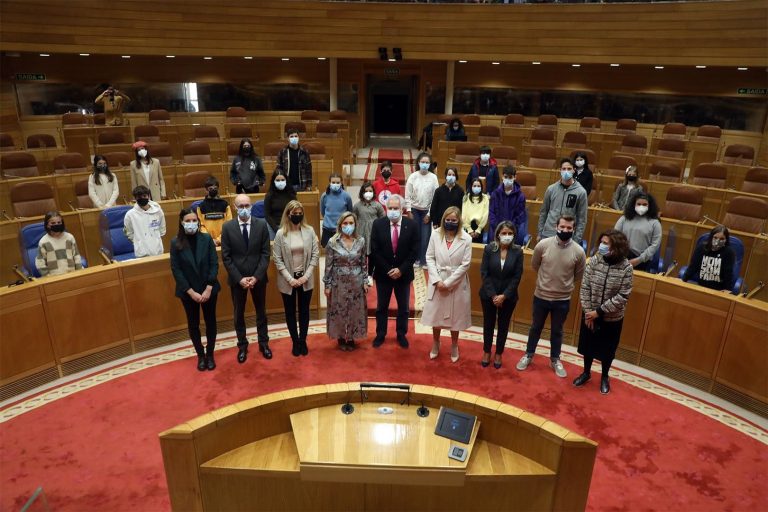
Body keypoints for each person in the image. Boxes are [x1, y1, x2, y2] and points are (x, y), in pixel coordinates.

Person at [517, 215, 586, 378]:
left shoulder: (579, 251)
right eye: (562, 227)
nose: (565, 230)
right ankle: (528, 354)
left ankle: (555, 359)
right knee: (535, 328)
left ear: (574, 229)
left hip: (562, 300)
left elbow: (578, 274)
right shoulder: (543, 245)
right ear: (556, 226)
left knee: (557, 331)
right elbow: (535, 265)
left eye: (569, 228)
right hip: (541, 296)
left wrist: (564, 285)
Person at [574, 229, 633, 395]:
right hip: (590, 314)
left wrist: (598, 312)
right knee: (588, 346)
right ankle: (586, 373)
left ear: (617, 247)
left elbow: (623, 296)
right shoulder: (594, 260)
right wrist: (588, 312)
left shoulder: (626, 268)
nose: (602, 246)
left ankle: (605, 376)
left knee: (607, 350)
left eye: (606, 243)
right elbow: (585, 286)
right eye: (602, 242)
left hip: (611, 318)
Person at [221, 194, 272, 364]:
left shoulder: (262, 225)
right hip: (238, 280)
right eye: (241, 206)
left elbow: (266, 254)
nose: (244, 209)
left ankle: (263, 343)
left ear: (251, 206)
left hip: (258, 278)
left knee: (261, 313)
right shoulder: (227, 227)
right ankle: (242, 345)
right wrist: (239, 278)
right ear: (235, 207)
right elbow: (226, 257)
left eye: (247, 205)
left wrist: (256, 276)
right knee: (238, 314)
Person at [169, 209, 220, 371]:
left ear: (198, 222)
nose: (191, 223)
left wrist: (208, 288)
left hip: (208, 289)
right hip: (188, 292)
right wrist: (191, 292)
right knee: (193, 324)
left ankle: (210, 354)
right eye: (188, 220)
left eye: (194, 220)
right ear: (182, 222)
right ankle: (200, 355)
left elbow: (214, 264)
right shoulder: (175, 242)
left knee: (210, 322)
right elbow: (176, 270)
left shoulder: (206, 239)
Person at [422, 207, 472, 363]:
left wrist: (449, 283)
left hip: (456, 282)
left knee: (455, 317)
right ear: (444, 220)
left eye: (454, 220)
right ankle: (436, 343)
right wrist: (437, 280)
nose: (450, 222)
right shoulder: (435, 234)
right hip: (438, 280)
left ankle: (454, 345)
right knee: (436, 315)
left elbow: (465, 264)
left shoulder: (466, 238)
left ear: (459, 221)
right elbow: (429, 257)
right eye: (448, 219)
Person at [369, 194, 419, 348]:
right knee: (381, 307)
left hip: (403, 275)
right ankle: (380, 334)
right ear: (385, 208)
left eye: (395, 208)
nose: (392, 211)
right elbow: (375, 251)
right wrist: (389, 269)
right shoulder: (378, 224)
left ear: (402, 209)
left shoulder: (412, 225)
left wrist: (401, 270)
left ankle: (401, 333)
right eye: (389, 208)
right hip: (384, 274)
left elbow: (414, 251)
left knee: (403, 308)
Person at [273, 200, 320, 356]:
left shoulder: (309, 231)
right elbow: (277, 259)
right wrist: (290, 279)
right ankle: (295, 341)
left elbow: (315, 254)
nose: (297, 216)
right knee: (290, 312)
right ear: (288, 214)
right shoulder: (281, 234)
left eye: (300, 214)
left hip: (306, 279)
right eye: (295, 214)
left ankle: (303, 340)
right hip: (288, 281)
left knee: (304, 311)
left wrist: (305, 276)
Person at [479, 222, 523, 369]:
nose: (507, 236)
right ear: (498, 234)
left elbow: (517, 277)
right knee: (488, 325)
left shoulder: (518, 252)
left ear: (514, 235)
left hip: (508, 297)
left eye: (510, 233)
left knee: (503, 326)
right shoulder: (489, 249)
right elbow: (484, 273)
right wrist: (493, 295)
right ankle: (486, 352)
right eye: (504, 233)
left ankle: (498, 353)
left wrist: (503, 296)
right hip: (488, 295)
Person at [323, 212, 369, 351]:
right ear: (340, 225)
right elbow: (328, 266)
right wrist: (327, 285)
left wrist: (365, 281)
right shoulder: (332, 242)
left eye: (351, 223)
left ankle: (353, 337)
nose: (348, 226)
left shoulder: (360, 241)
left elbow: (363, 263)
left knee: (355, 309)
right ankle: (341, 337)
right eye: (345, 223)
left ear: (355, 225)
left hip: (356, 280)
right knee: (339, 309)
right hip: (339, 282)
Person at [537, 158, 588, 244]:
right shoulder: (551, 189)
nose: (566, 171)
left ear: (574, 170)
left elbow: (582, 219)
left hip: (567, 235)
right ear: (560, 170)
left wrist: (576, 239)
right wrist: (540, 232)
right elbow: (543, 212)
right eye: (564, 169)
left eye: (569, 169)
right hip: (548, 233)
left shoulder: (581, 192)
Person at [405, 152, 439, 267]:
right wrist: (408, 210)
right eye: (422, 162)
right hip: (414, 209)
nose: (424, 164)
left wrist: (429, 214)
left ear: (430, 164)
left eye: (427, 162)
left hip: (426, 211)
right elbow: (407, 195)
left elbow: (435, 197)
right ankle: (415, 259)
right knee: (415, 235)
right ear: (418, 163)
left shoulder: (433, 178)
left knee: (425, 237)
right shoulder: (413, 176)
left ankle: (424, 260)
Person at [614, 191, 662, 273]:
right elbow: (614, 236)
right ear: (634, 205)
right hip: (621, 257)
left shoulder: (655, 223)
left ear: (649, 206)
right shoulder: (624, 218)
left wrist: (638, 260)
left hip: (642, 261)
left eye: (644, 204)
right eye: (638, 204)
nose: (641, 206)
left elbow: (654, 245)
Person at [682, 226, 736, 292]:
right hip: (700, 286)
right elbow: (693, 266)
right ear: (711, 237)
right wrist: (683, 280)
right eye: (715, 237)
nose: (718, 241)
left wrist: (728, 290)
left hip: (718, 290)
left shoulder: (729, 253)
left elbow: (728, 274)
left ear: (726, 240)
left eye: (722, 239)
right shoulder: (701, 248)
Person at [35, 211, 83, 277]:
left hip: (72, 274)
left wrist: (79, 272)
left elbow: (76, 256)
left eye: (59, 222)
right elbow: (40, 262)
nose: (56, 224)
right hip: (54, 277)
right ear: (47, 225)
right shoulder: (43, 242)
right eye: (53, 223)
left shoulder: (69, 237)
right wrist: (47, 276)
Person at [489, 165, 527, 246]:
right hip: (497, 232)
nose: (508, 180)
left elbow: (520, 216)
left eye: (510, 177)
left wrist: (508, 230)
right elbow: (492, 213)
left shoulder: (520, 196)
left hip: (511, 234)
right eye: (506, 177)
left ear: (515, 177)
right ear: (502, 177)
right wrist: (499, 229)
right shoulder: (495, 194)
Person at [123, 185, 166, 257]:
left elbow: (162, 230)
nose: (142, 198)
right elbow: (128, 233)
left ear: (149, 196)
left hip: (158, 251)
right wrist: (139, 241)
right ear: (135, 198)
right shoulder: (130, 215)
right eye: (139, 197)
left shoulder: (158, 211)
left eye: (144, 196)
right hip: (141, 253)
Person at [196, 176, 232, 247]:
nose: (213, 190)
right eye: (210, 189)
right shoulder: (201, 206)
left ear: (218, 189)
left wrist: (219, 240)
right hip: (207, 242)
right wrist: (210, 240)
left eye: (215, 188)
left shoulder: (225, 204)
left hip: (224, 241)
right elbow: (201, 225)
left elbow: (229, 224)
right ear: (206, 190)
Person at [320, 173, 353, 248]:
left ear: (341, 183)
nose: (335, 184)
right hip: (327, 229)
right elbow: (323, 212)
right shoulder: (324, 196)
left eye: (338, 182)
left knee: (341, 254)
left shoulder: (346, 196)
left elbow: (350, 212)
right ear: (329, 183)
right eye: (333, 182)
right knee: (328, 254)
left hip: (341, 230)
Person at [353, 181, 385, 256]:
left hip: (374, 232)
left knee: (373, 253)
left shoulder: (377, 205)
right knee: (361, 253)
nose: (368, 193)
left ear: (373, 192)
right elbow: (353, 219)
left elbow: (383, 219)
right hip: (361, 232)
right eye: (366, 191)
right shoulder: (357, 205)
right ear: (362, 193)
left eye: (370, 191)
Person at [263, 170, 297, 240]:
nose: (280, 182)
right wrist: (276, 229)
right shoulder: (269, 196)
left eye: (282, 180)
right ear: (274, 181)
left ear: (286, 180)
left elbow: (296, 211)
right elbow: (267, 215)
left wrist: (289, 225)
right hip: (273, 226)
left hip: (289, 225)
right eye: (278, 180)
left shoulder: (291, 195)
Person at [462, 178, 489, 243]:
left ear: (481, 187)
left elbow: (485, 214)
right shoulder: (466, 197)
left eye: (478, 186)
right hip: (468, 227)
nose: (476, 187)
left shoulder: (485, 198)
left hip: (479, 227)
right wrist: (469, 229)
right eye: (474, 186)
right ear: (471, 187)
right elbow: (464, 214)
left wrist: (479, 229)